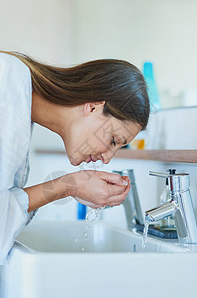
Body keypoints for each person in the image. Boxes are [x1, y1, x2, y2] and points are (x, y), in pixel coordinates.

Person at [0, 51, 150, 264]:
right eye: (114, 140)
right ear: (94, 107)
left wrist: (69, 186)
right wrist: (67, 186)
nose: (107, 159)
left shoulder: (18, 97)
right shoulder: (7, 87)